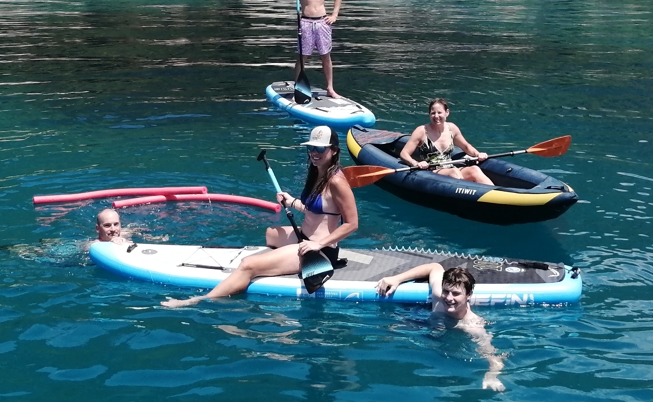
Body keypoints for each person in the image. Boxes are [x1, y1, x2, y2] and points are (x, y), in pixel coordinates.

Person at [161, 125, 358, 308]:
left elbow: (352, 224)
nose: (314, 153)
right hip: (305, 236)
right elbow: (315, 209)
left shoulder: (337, 182)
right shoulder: (316, 173)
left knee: (248, 265)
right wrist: (291, 202)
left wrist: (318, 245)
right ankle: (279, 261)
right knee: (270, 234)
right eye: (311, 148)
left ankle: (198, 300)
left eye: (320, 149)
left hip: (318, 250)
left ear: (334, 151)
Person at [376, 263, 505, 391]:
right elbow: (435, 266)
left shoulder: (472, 326)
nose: (449, 298)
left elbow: (493, 356)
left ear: (469, 295)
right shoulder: (439, 297)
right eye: (446, 291)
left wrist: (491, 376)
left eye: (456, 294)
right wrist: (396, 279)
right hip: (422, 319)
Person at [286, 0, 343, 99]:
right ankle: (298, 87)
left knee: (326, 56)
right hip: (305, 22)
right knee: (302, 57)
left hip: (323, 22)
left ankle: (330, 89)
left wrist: (334, 15)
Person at [399, 98, 493, 186]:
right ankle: (470, 195)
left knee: (474, 169)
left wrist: (478, 154)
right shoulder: (421, 131)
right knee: (454, 172)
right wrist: (416, 163)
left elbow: (466, 146)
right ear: (429, 114)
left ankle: (495, 193)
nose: (436, 116)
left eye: (439, 112)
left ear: (447, 113)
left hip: (449, 168)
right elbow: (404, 153)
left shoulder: (452, 128)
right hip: (431, 171)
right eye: (433, 113)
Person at [94, 209, 166, 244]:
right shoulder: (96, 243)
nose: (113, 229)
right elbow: (87, 247)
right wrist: (111, 242)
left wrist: (151, 238)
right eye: (107, 225)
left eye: (116, 224)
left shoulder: (124, 233)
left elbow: (135, 230)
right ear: (98, 229)